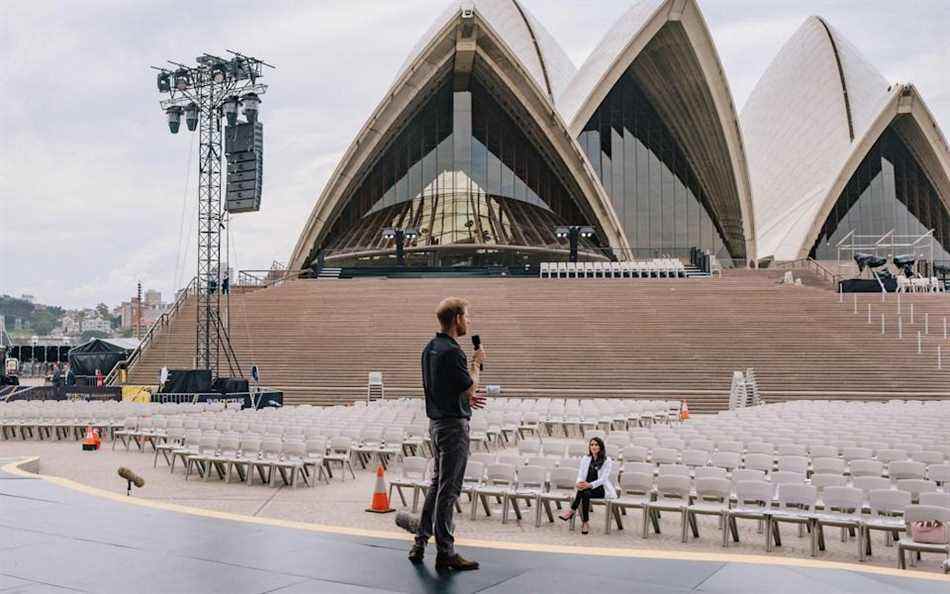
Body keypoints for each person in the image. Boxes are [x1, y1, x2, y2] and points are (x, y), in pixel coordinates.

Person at [395, 297, 487, 571]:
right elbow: (471, 387)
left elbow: (440, 388)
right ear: (457, 318)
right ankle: (445, 551)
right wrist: (477, 363)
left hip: (435, 425)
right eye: (467, 316)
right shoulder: (453, 352)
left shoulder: (429, 349)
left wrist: (460, 399)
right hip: (453, 428)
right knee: (449, 490)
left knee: (437, 486)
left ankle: (420, 542)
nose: (469, 321)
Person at [559, 437, 616, 534]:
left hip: (600, 489)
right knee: (584, 492)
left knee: (584, 491)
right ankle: (585, 522)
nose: (593, 446)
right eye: (592, 444)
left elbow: (603, 479)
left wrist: (589, 485)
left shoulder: (607, 460)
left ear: (600, 447)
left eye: (596, 445)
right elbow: (580, 474)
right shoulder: (586, 458)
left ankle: (572, 511)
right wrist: (579, 483)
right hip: (586, 489)